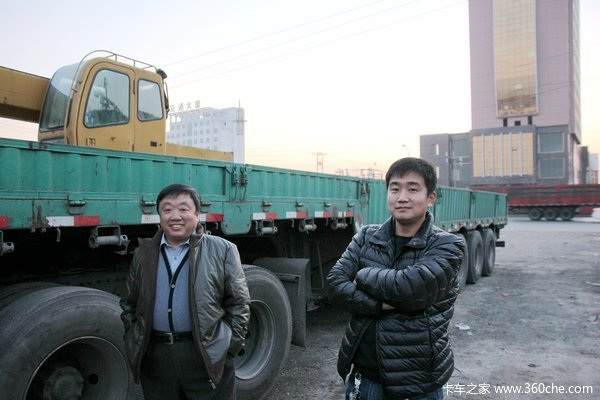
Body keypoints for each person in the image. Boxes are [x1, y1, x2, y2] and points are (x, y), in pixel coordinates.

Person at [327, 157, 464, 400]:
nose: (402, 197)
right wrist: (379, 304)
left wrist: (361, 276)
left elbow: (410, 289)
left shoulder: (447, 245)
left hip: (417, 380)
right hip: (365, 375)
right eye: (395, 189)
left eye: (413, 189)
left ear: (430, 198)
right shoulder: (367, 237)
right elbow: (335, 285)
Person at [120, 183, 251, 400]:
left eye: (183, 209)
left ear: (197, 214)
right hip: (156, 357)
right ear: (159, 215)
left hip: (205, 353)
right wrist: (134, 337)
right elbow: (129, 302)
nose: (175, 216)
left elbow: (239, 303)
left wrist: (228, 348)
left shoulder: (223, 250)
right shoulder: (143, 253)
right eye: (167, 209)